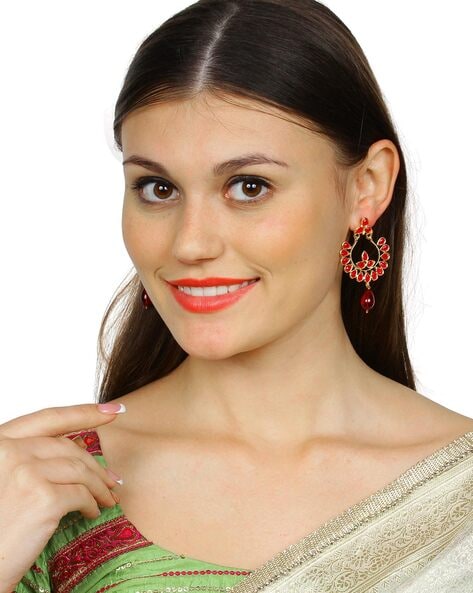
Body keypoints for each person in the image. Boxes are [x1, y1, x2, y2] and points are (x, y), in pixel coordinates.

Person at [2, 0, 473, 592]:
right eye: (157, 187)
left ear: (367, 187)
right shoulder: (42, 489)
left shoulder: (462, 497)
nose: (190, 243)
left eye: (249, 187)